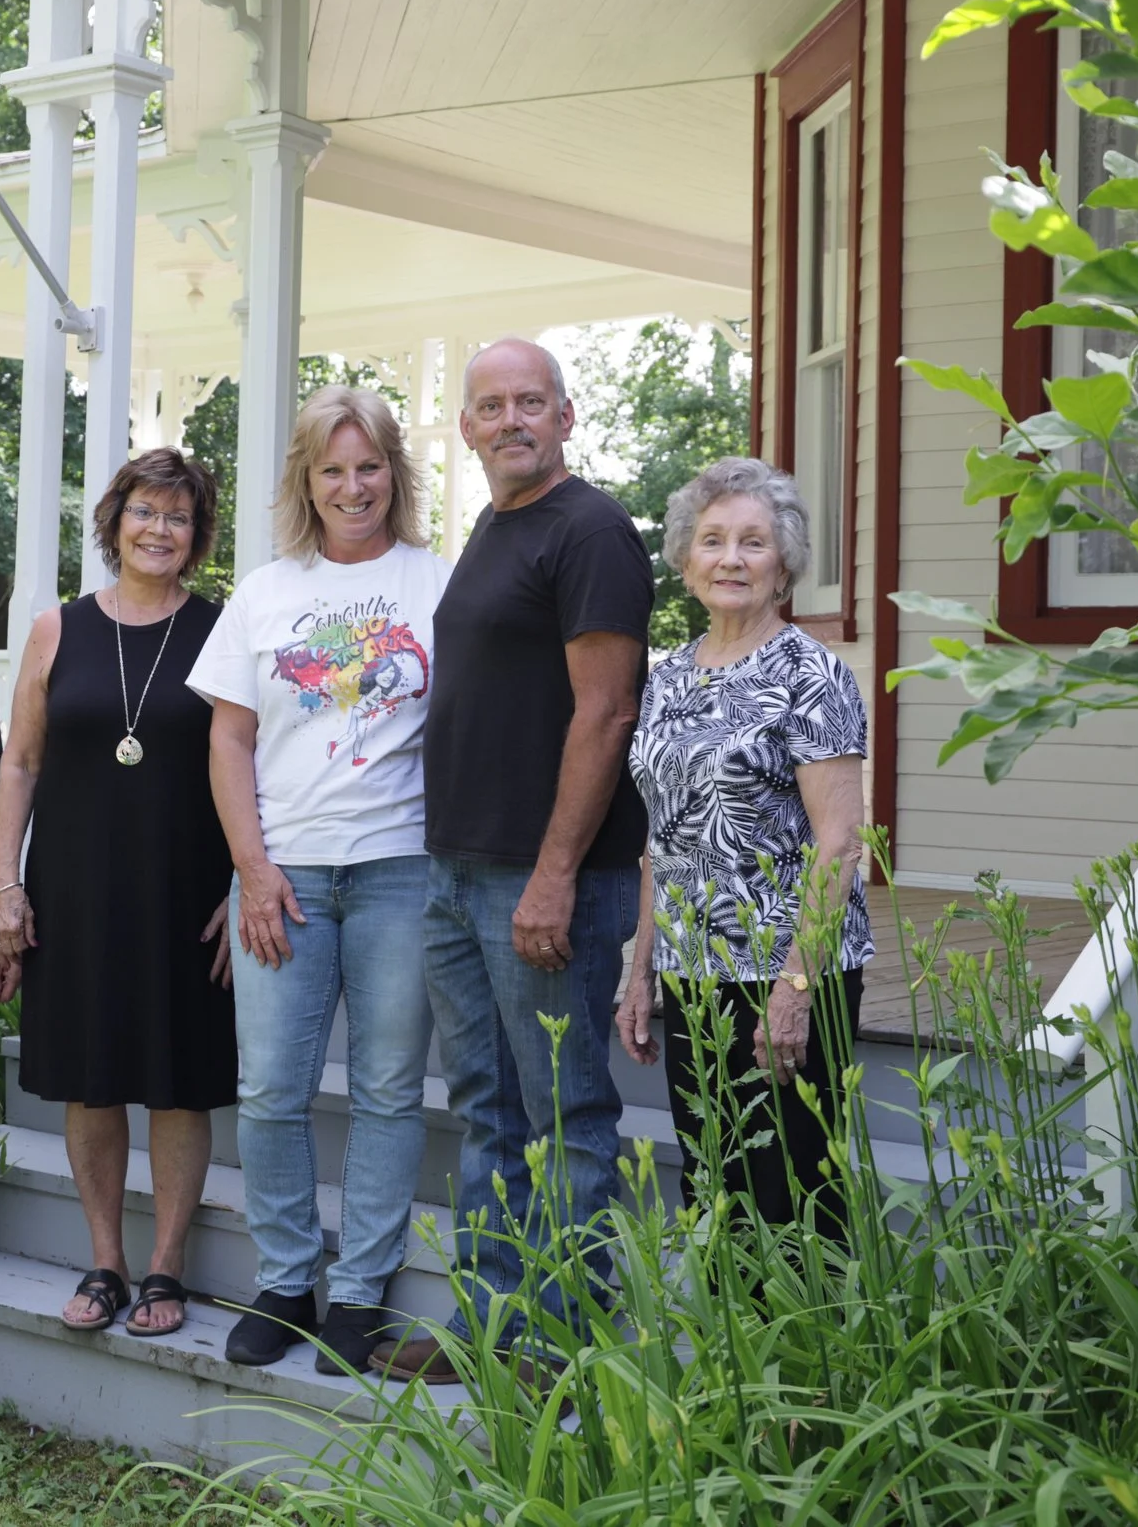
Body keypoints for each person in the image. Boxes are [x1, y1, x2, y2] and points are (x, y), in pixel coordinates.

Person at [377, 339, 653, 1384]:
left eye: (529, 401)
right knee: (488, 1108)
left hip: (541, 879)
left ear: (566, 416)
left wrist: (553, 873)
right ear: (465, 428)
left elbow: (607, 711)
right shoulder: (497, 526)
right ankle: (489, 1322)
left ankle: (563, 1338)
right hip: (459, 870)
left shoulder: (590, 530)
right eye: (489, 406)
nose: (510, 421)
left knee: (565, 1112)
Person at [187, 387, 454, 1374]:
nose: (353, 486)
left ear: (394, 473)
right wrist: (251, 869)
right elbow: (228, 738)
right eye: (332, 469)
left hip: (400, 869)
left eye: (369, 465)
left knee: (388, 1090)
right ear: (306, 480)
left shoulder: (438, 581)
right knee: (269, 1089)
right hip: (284, 875)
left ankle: (360, 1293)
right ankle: (286, 1280)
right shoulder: (264, 592)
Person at [0, 449, 234, 1340]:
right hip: (74, 889)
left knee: (178, 1086)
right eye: (144, 511)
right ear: (115, 521)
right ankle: (107, 1262)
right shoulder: (57, 629)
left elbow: (256, 762)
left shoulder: (222, 630)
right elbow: (20, 763)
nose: (159, 529)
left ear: (197, 535)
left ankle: (166, 1263)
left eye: (178, 516)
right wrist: (5, 883)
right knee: (90, 1083)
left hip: (186, 887)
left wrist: (245, 881)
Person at [617, 458, 873, 1236]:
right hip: (691, 971)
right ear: (686, 560)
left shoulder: (812, 675)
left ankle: (812, 1325)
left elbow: (841, 843)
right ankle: (724, 1323)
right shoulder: (668, 677)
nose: (731, 558)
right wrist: (641, 968)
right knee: (712, 1188)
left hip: (783, 969)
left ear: (783, 564)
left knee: (794, 1197)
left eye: (753, 542)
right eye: (713, 540)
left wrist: (795, 989)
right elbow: (661, 834)